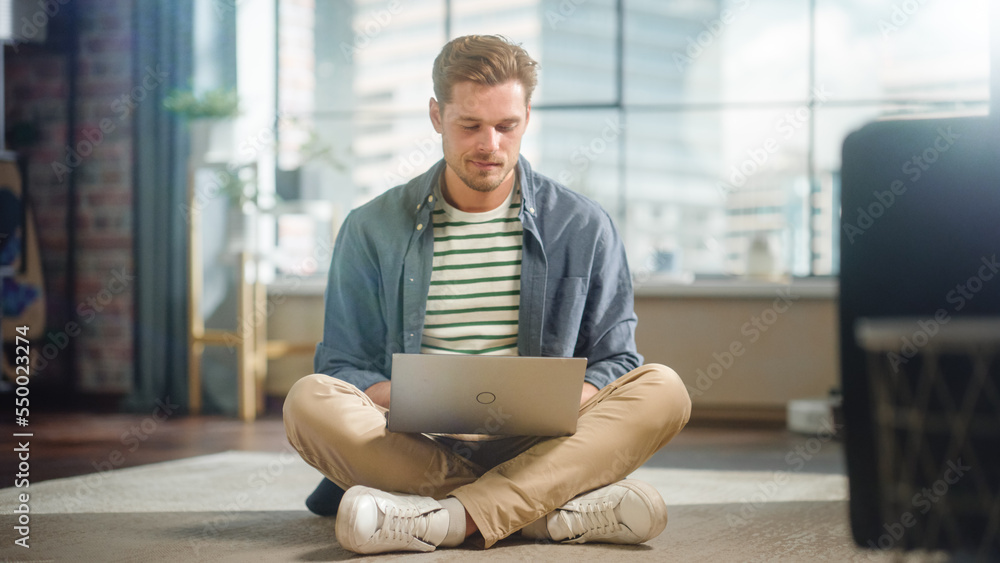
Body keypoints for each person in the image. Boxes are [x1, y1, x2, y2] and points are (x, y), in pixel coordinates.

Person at [283, 34, 691, 554]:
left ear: (527, 116)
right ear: (436, 116)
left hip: (544, 443)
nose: (489, 145)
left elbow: (616, 363)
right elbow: (343, 366)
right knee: (308, 400)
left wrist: (554, 402)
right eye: (469, 125)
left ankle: (446, 518)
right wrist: (424, 401)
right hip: (413, 443)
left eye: (506, 126)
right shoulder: (371, 227)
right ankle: (542, 511)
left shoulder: (584, 225)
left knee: (664, 390)